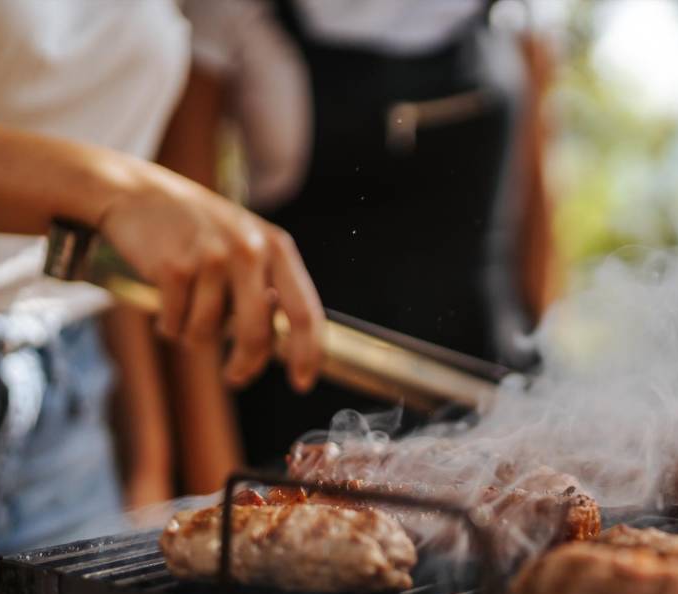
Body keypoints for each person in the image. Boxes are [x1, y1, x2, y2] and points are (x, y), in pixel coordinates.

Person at [0, 1, 326, 591]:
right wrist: (115, 190)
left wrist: (148, 458)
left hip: (63, 396)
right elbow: (111, 199)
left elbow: (109, 239)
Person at [164, 0, 556, 467]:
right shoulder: (228, 13)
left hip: (497, 411)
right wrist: (213, 477)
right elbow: (189, 266)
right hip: (299, 431)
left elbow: (539, 227)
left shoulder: (522, 11)